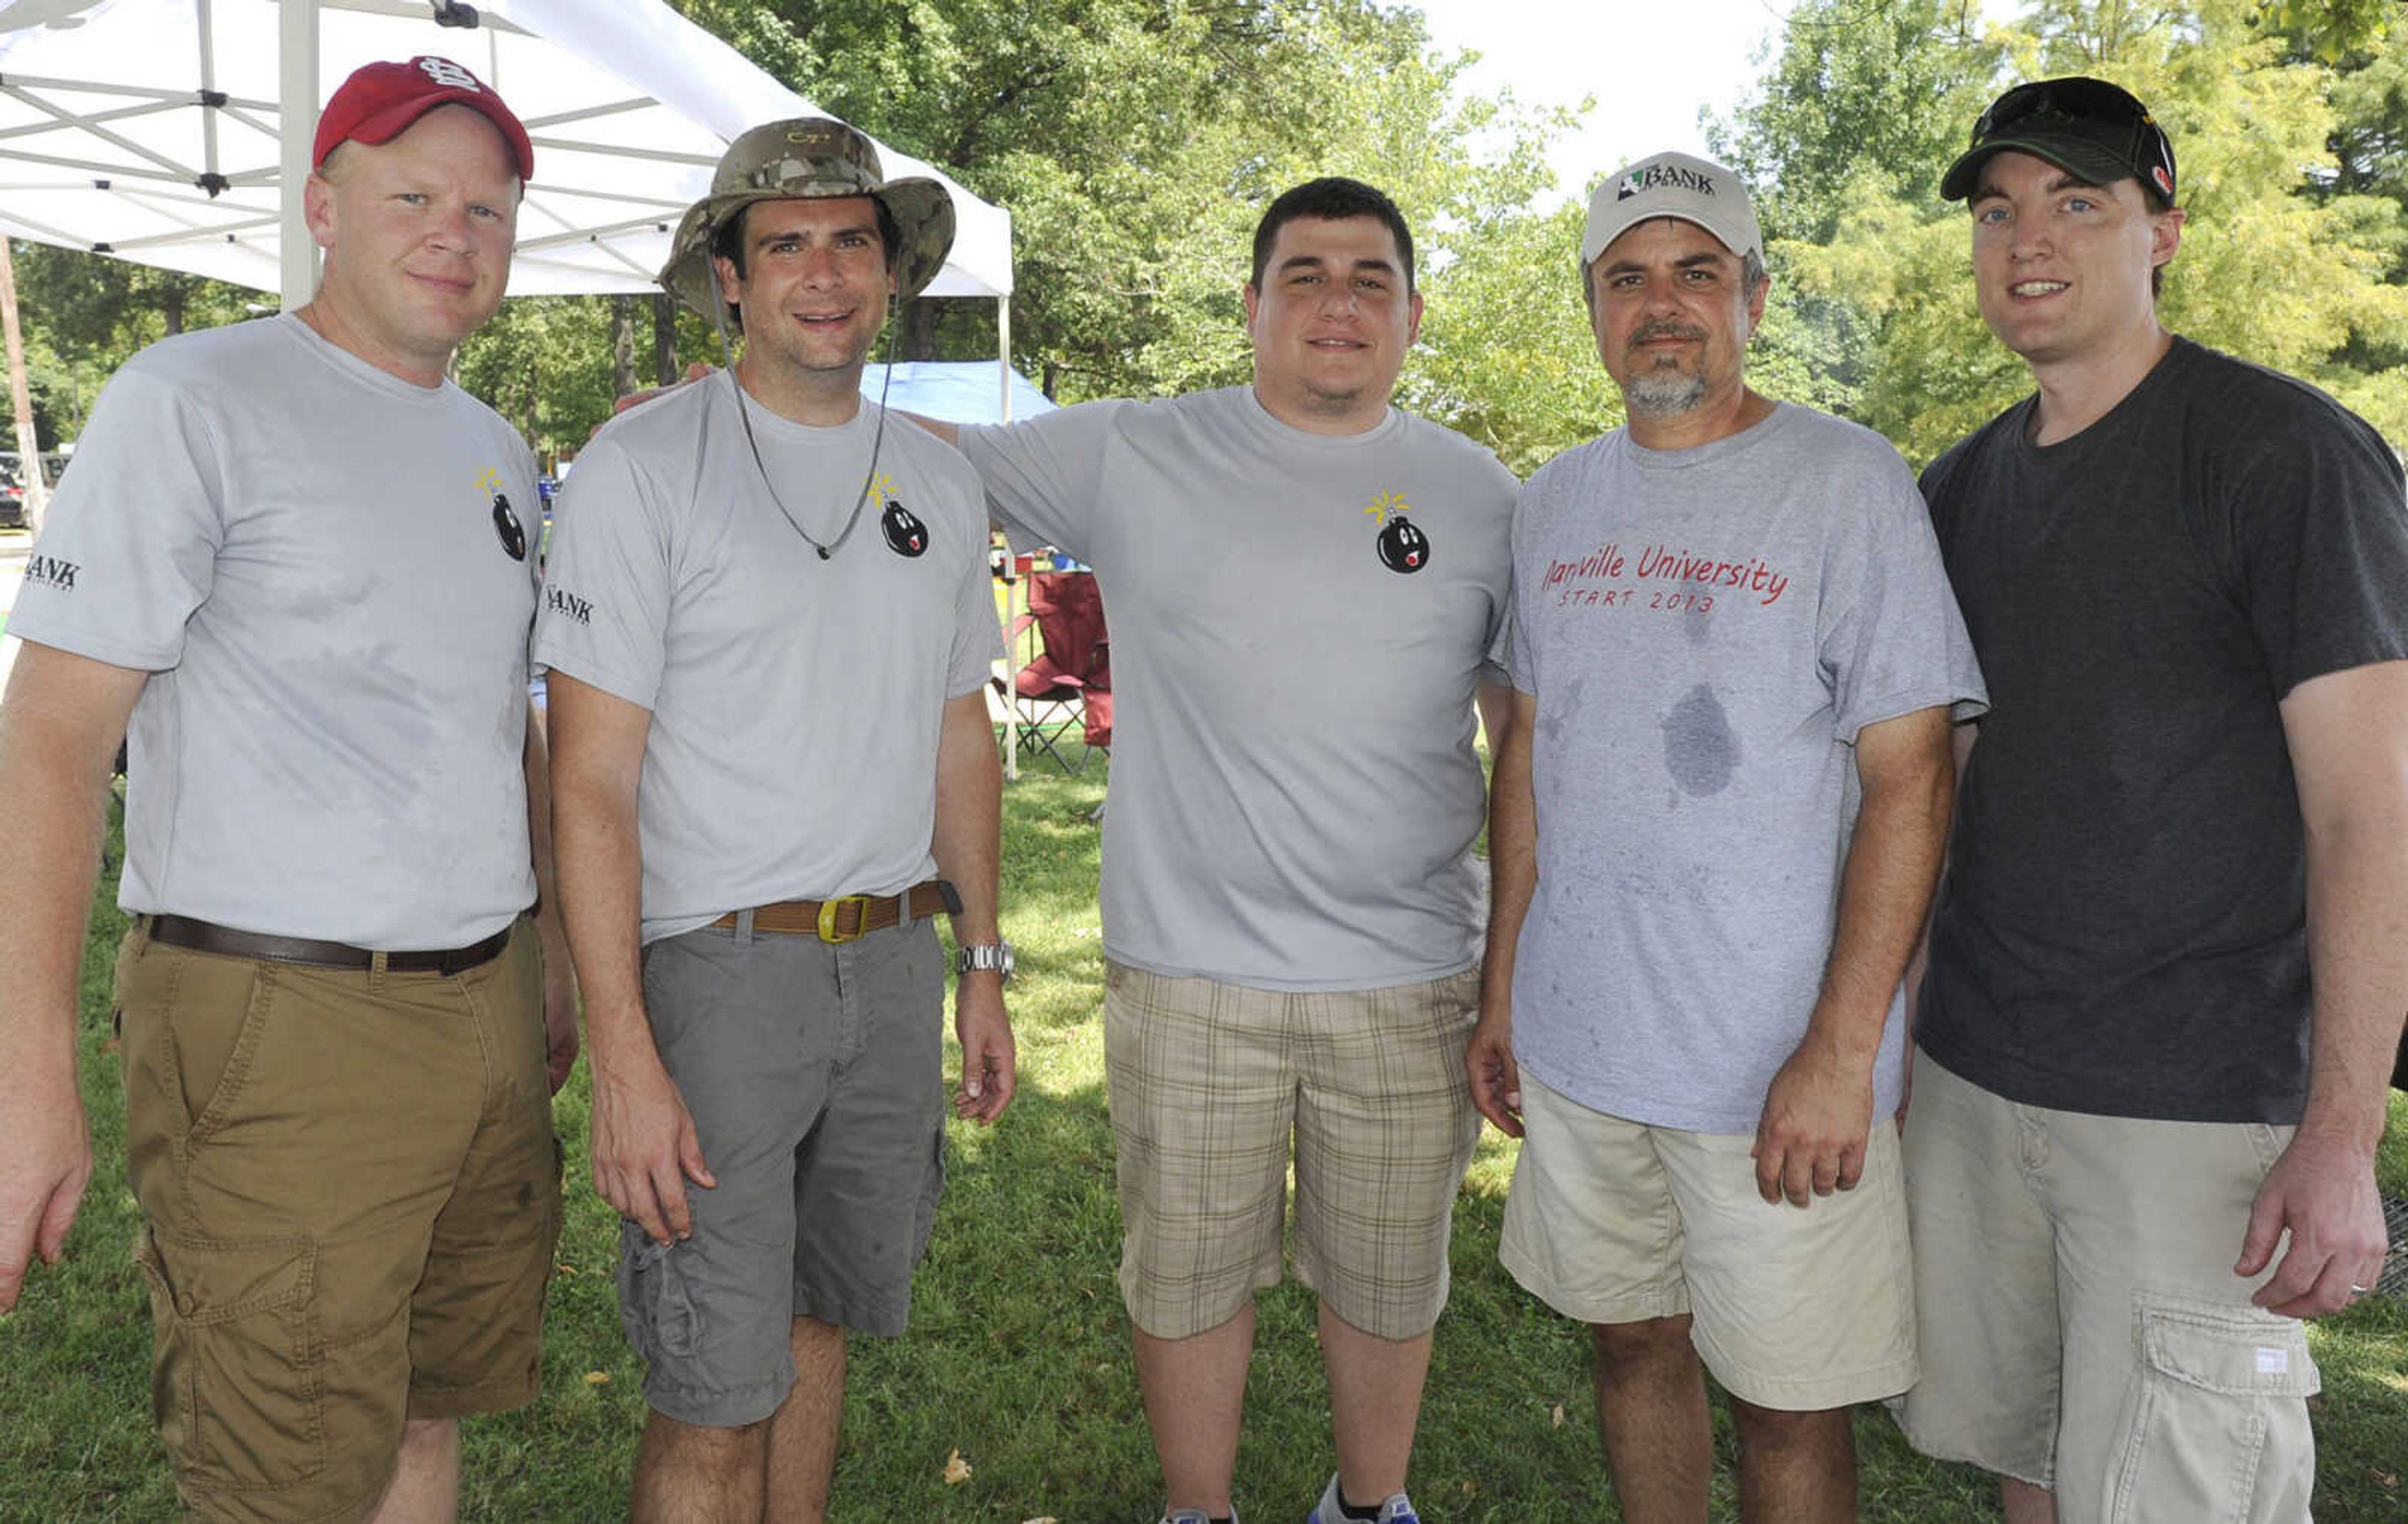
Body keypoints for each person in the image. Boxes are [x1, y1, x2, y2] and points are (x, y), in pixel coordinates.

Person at [0, 55, 576, 1523]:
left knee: (424, 1411)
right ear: (322, 205)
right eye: (412, 196)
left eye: (489, 210)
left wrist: (554, 957)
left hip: (486, 1002)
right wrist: (26, 1078)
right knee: (280, 1479)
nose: (456, 233)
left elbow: (501, 724)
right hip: (282, 1023)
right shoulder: (195, 397)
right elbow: (52, 738)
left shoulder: (495, 445)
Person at [913, 176, 1516, 1524]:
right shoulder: (1135, 452)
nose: (1338, 304)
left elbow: (1520, 738)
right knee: (1186, 1271)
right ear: (1251, 306)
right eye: (1304, 275)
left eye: (1371, 279)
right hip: (1189, 972)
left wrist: (1519, 961)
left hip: (1409, 968)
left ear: (1414, 315)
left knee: (1385, 1273)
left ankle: (1371, 1506)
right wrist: (737, 414)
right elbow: (908, 455)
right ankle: (1201, 1508)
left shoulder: (1480, 495)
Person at [1896, 77, 2408, 1524]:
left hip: (2196, 1117)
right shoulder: (1961, 489)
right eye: (1999, 210)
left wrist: (2341, 1141)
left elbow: (2373, 816)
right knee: (2035, 1466)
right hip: (1979, 1082)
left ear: (2162, 228)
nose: (2029, 240)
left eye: (2079, 202)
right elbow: (1940, 798)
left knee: (2188, 1496)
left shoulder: (2284, 457)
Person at [1467, 152, 1985, 1524]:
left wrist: (1841, 1049)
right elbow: (1530, 749)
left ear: (1755, 294)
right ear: (1591, 306)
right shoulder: (1555, 500)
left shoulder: (1846, 484)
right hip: (1584, 1050)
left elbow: (1913, 775)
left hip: (1773, 1074)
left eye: (1698, 271)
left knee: (1786, 1403)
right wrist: (1504, 984)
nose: (1663, 306)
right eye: (1627, 277)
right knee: (1631, 1344)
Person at [537, 118, 1015, 1524]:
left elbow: (957, 730)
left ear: (889, 274)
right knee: (707, 1382)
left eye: (850, 242)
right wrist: (623, 1050)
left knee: (816, 1330)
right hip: (714, 975)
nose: (822, 273)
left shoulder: (936, 476)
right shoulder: (644, 467)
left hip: (892, 963)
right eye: (785, 244)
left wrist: (983, 962)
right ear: (731, 279)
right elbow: (590, 779)